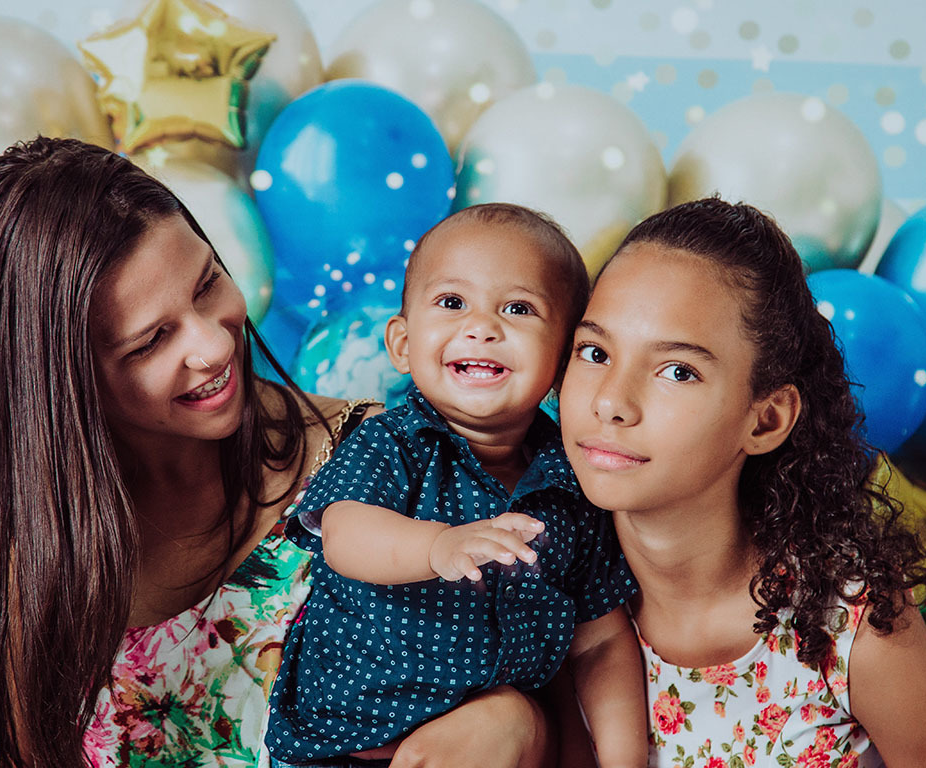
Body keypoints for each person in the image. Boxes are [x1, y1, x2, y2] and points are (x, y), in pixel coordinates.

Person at [0, 137, 554, 768]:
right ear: (60, 383)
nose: (215, 347)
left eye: (207, 284)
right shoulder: (26, 572)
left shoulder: (387, 464)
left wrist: (518, 720)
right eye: (151, 341)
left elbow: (541, 649)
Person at [556, 198, 926, 767]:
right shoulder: (531, 585)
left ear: (766, 420)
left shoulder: (850, 625)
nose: (611, 401)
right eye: (594, 351)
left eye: (678, 371)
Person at [266, 204, 646, 767]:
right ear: (402, 344)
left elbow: (601, 641)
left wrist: (624, 759)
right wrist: (438, 545)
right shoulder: (392, 444)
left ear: (563, 360)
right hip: (341, 746)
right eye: (452, 303)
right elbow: (344, 535)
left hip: (488, 743)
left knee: (511, 721)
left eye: (518, 308)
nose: (483, 327)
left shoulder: (572, 487)